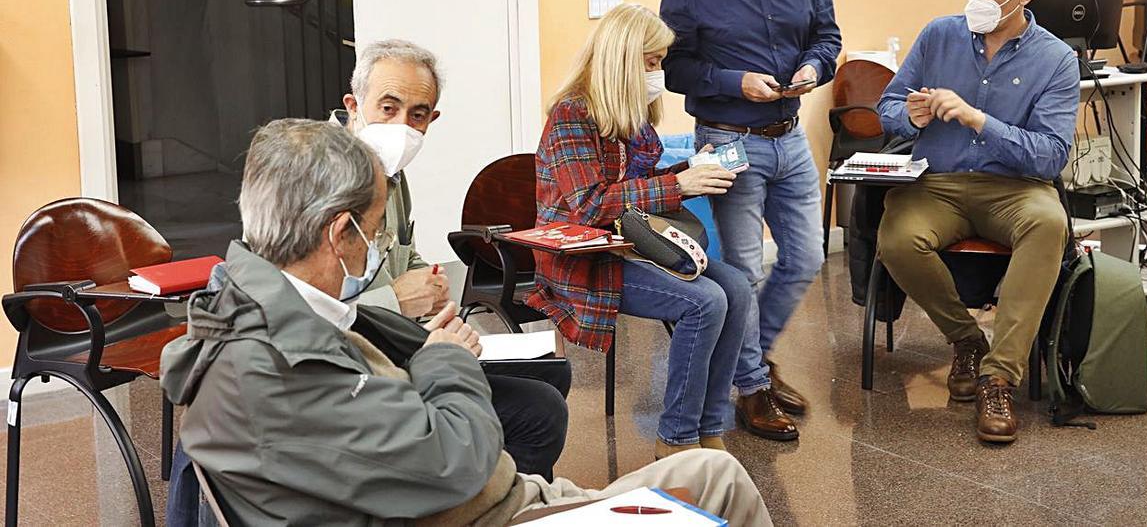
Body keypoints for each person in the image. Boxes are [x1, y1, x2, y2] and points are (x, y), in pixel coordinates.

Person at [160, 119, 773, 526]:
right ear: (339, 233)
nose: (376, 247)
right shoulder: (281, 360)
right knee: (717, 479)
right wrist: (441, 356)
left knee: (709, 470)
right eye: (373, 231)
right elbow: (459, 459)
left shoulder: (242, 317)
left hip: (480, 501)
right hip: (489, 513)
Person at [659, 0, 842, 441]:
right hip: (727, 140)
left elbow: (827, 36)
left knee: (806, 259)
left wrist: (816, 66)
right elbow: (675, 67)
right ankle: (752, 389)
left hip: (788, 136)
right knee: (743, 270)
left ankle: (751, 361)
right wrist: (735, 81)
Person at [332, 38, 570, 479]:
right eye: (387, 107)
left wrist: (434, 290)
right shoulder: (320, 177)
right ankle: (487, 501)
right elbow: (302, 310)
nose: (402, 124)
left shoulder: (390, 173)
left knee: (551, 373)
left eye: (418, 114)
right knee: (540, 409)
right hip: (356, 370)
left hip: (397, 340)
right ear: (353, 104)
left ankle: (497, 493)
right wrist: (396, 303)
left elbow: (404, 252)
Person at [525, 3, 753, 460]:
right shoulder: (572, 116)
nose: (658, 72)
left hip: (630, 245)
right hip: (583, 259)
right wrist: (677, 184)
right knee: (705, 302)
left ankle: (709, 428)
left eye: (660, 62)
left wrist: (694, 168)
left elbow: (637, 189)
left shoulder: (632, 119)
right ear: (623, 60)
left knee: (738, 288)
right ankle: (677, 439)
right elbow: (589, 206)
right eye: (651, 62)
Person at [875, 0, 1078, 444]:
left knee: (1049, 223)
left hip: (1013, 188)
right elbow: (888, 108)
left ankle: (998, 377)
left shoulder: (1055, 61)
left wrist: (978, 120)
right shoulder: (938, 35)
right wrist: (911, 115)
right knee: (897, 239)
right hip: (937, 184)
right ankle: (965, 340)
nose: (974, 2)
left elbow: (1052, 154)